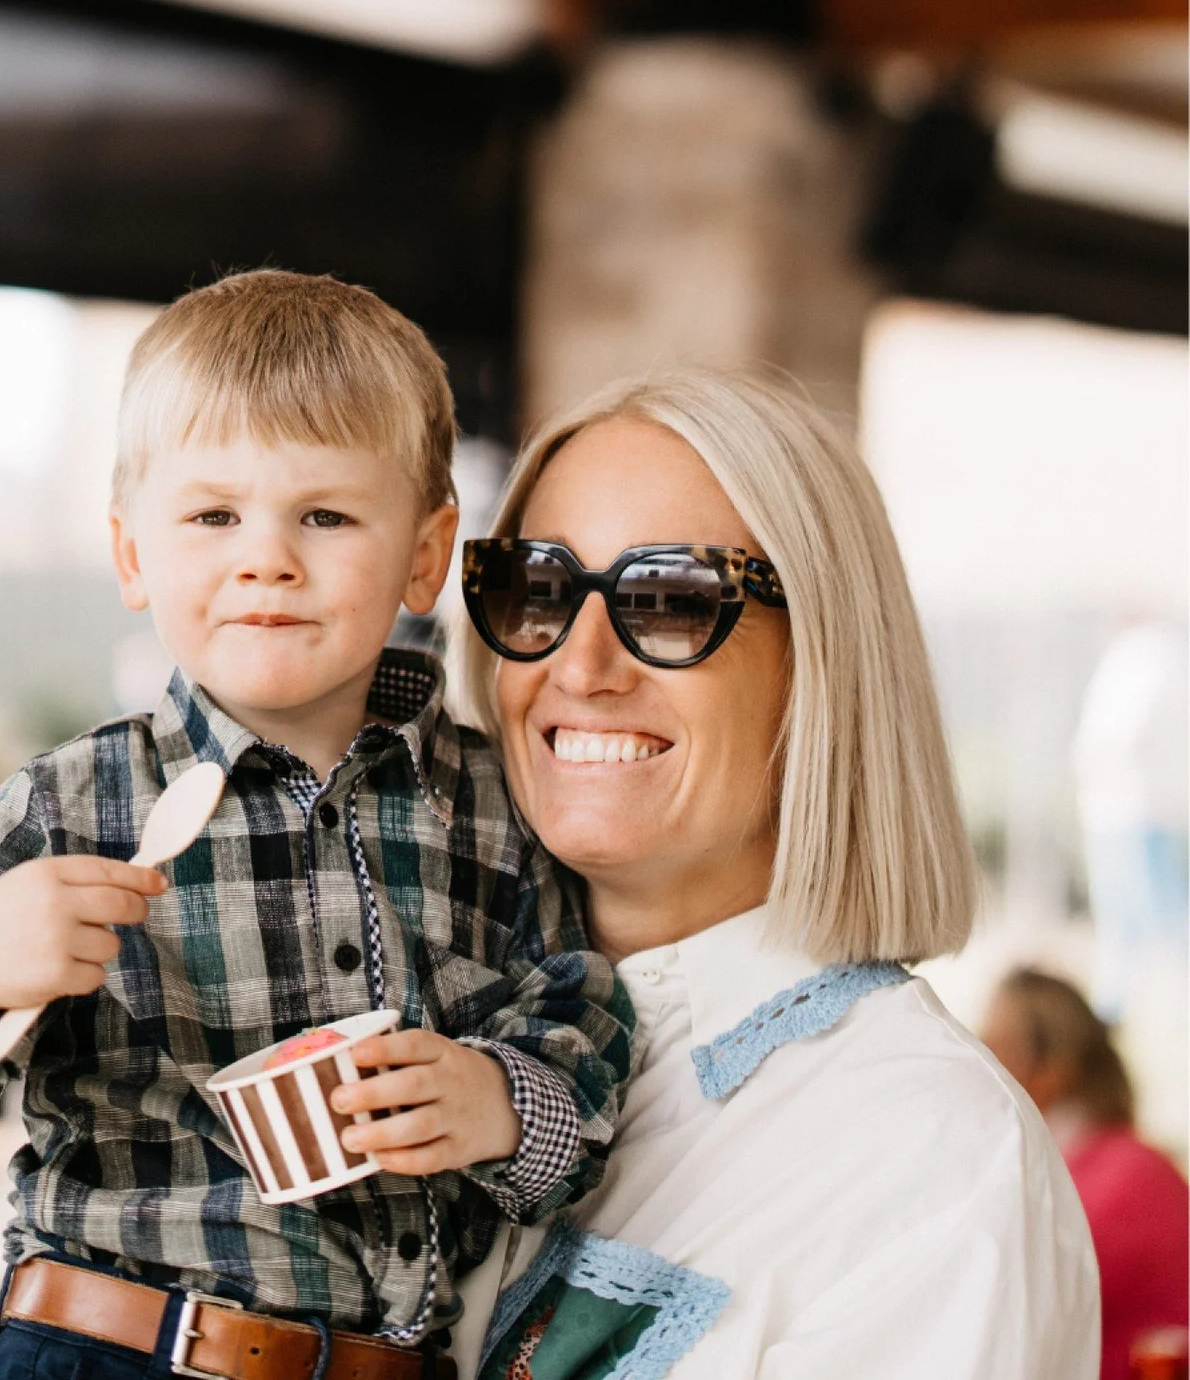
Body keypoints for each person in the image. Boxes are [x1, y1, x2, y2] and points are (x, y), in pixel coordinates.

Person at [0, 270, 633, 1380]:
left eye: (327, 515)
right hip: (103, 1344)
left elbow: (583, 1039)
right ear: (130, 554)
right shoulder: (70, 808)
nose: (268, 558)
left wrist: (500, 1104)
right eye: (212, 515)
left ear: (424, 553)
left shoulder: (496, 811)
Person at [447, 368, 1099, 1379]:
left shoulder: (935, 1163)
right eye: (534, 590)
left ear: (825, 659)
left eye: (666, 600)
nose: (579, 667)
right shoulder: (420, 1016)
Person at [982, 969, 1188, 1380]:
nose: (978, 1060)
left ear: (1052, 1067)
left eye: (993, 1045)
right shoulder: (1097, 1163)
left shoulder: (1125, 1175)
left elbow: (1013, 1308)